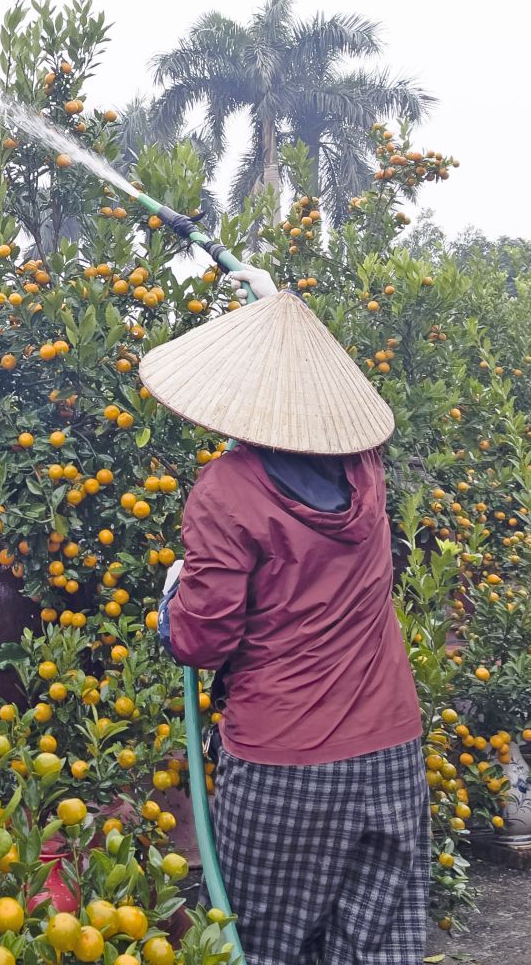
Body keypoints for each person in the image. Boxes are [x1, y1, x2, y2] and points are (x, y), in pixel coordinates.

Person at [138, 265, 425, 965]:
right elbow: (317, 394)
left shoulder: (228, 491)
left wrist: (170, 603)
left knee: (261, 945)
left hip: (285, 764)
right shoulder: (366, 467)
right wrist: (273, 301)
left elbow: (203, 641)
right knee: (377, 948)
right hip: (392, 751)